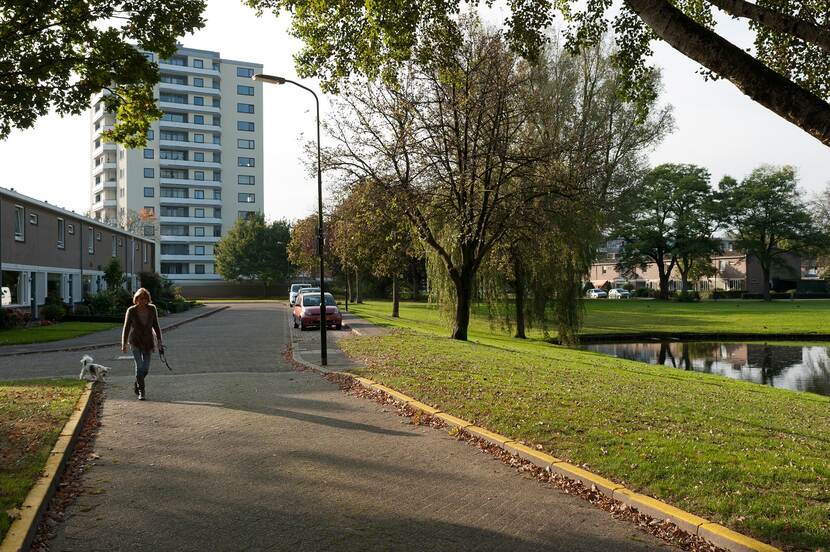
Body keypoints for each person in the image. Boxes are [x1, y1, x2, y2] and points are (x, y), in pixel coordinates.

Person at [121, 288, 163, 401]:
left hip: (148, 342)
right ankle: (141, 391)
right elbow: (126, 327)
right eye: (140, 299)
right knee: (139, 367)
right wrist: (123, 343)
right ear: (136, 299)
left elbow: (156, 326)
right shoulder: (131, 310)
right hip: (135, 341)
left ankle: (137, 383)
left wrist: (159, 341)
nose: (142, 301)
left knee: (145, 369)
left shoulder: (152, 309)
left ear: (148, 300)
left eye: (145, 299)